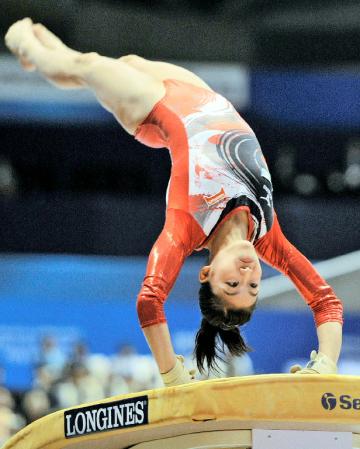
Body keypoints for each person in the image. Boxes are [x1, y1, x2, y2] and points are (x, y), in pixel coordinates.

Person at [5, 18, 343, 387]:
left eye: (231, 286)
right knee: (107, 61)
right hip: (202, 96)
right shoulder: (268, 235)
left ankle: (23, 43)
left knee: (87, 68)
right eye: (253, 287)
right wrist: (326, 363)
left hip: (151, 111)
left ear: (207, 274)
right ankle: (46, 47)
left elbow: (149, 301)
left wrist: (172, 375)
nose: (247, 276)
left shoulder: (186, 226)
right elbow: (326, 302)